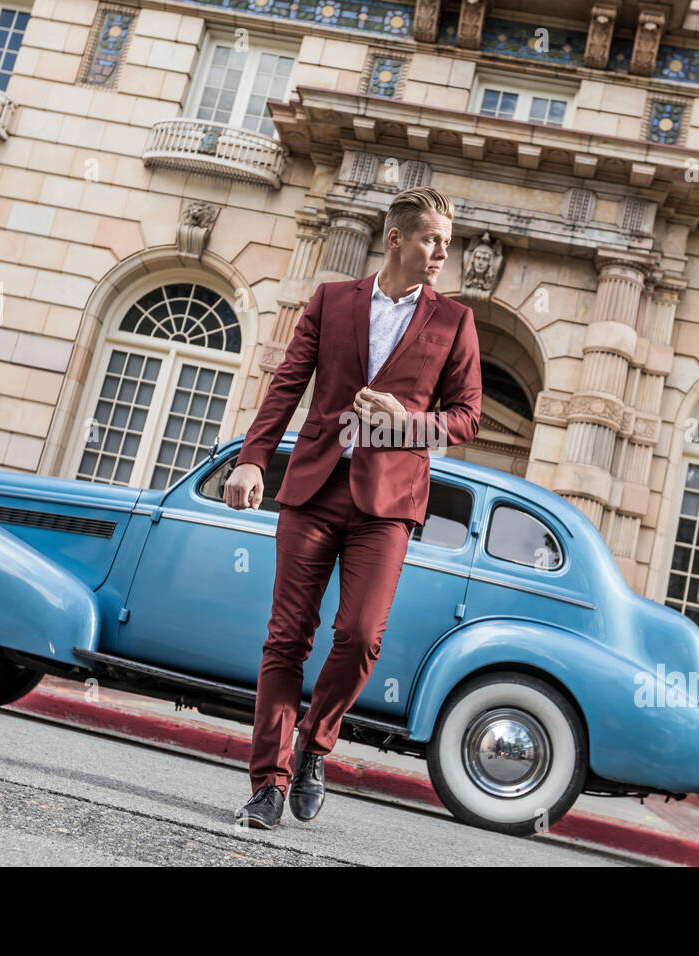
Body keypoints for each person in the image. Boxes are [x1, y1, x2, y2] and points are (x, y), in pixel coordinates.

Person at [224, 186, 482, 828]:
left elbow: (468, 417)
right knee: (286, 638)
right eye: (431, 239)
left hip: (388, 501)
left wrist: (408, 420)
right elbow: (288, 380)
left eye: (447, 243)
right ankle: (268, 783)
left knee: (362, 635)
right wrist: (253, 457)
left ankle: (314, 743)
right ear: (395, 238)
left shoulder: (454, 321)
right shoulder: (332, 300)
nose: (441, 253)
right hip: (313, 487)